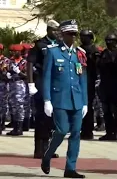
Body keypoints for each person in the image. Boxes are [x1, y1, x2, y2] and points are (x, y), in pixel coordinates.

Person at [40, 19, 87, 178]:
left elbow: (82, 80)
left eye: (75, 34)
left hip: (77, 99)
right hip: (59, 98)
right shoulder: (53, 52)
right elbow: (47, 77)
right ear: (63, 35)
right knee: (61, 130)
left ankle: (70, 168)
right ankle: (47, 156)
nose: (73, 37)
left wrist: (85, 102)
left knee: (76, 133)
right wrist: (47, 99)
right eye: (70, 34)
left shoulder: (79, 53)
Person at [27, 19, 60, 159]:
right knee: (41, 115)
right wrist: (31, 83)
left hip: (55, 83)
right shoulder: (40, 45)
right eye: (54, 30)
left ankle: (48, 148)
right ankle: (38, 149)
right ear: (48, 30)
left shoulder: (59, 44)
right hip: (41, 81)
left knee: (52, 116)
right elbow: (29, 64)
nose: (56, 33)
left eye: (58, 31)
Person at [79, 29, 98, 140]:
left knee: (88, 106)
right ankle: (82, 128)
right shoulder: (79, 49)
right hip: (80, 79)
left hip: (90, 80)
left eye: (85, 36)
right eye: (81, 36)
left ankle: (88, 130)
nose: (82, 38)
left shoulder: (94, 50)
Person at [6, 44, 27, 136]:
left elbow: (27, 76)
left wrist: (19, 72)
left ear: (20, 52)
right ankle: (14, 127)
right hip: (11, 85)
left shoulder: (24, 62)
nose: (14, 53)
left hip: (20, 85)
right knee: (12, 106)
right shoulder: (10, 62)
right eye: (13, 52)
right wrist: (7, 74)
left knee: (19, 106)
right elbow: (5, 70)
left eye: (16, 52)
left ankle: (19, 128)